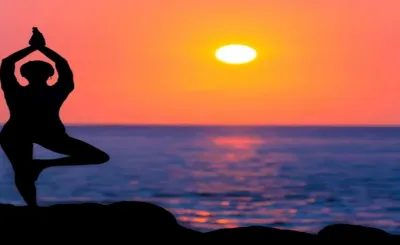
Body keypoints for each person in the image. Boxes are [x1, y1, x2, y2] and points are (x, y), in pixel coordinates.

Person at [0, 27, 109, 207]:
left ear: (23, 74)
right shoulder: (57, 90)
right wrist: (41, 47)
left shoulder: (15, 91)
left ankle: (39, 174)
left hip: (42, 133)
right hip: (22, 133)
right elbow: (62, 64)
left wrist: (34, 47)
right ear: (51, 75)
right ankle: (33, 203)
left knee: (22, 170)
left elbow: (7, 63)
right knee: (22, 170)